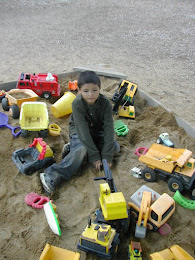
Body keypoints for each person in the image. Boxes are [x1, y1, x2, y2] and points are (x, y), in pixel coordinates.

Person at [40, 70, 120, 196]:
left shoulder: (105, 104)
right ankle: (51, 175)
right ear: (79, 90)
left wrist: (107, 156)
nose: (90, 95)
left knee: (114, 147)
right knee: (82, 149)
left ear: (100, 88)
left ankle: (74, 150)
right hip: (79, 131)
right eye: (86, 91)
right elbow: (83, 132)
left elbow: (109, 129)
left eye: (94, 90)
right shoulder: (77, 104)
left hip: (97, 132)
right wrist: (94, 156)